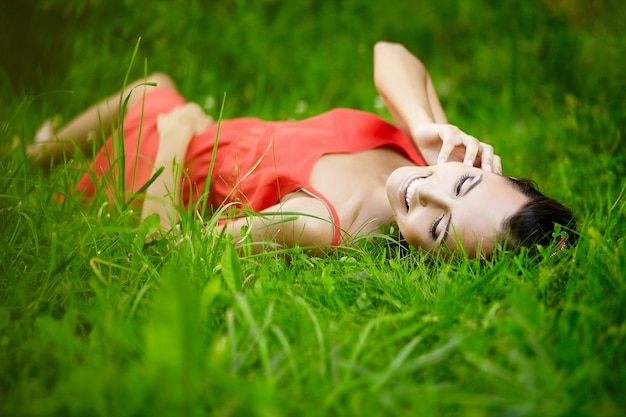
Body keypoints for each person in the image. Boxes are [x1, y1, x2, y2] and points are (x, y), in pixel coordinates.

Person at [27, 41, 576, 258]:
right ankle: (45, 149)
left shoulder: (320, 222)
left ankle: (43, 155)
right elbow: (392, 55)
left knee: (149, 93)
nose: (426, 193)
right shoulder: (428, 152)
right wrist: (427, 126)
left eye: (437, 228)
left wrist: (172, 145)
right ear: (488, 167)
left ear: (429, 257)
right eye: (462, 186)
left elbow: (163, 245)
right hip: (201, 131)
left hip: (158, 164)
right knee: (148, 89)